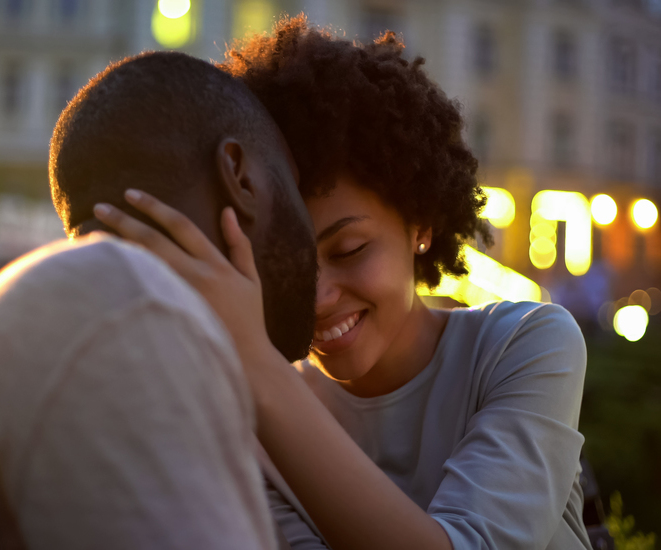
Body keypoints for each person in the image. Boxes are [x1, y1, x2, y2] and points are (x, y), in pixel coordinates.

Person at [92, 15, 593, 550]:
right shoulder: (256, 421)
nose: (318, 297)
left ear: (420, 223)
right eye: (282, 263)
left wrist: (258, 367)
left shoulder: (525, 344)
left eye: (349, 250)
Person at [0, 51, 317, 549]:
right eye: (296, 187)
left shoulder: (93, 301)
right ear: (239, 175)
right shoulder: (130, 313)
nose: (314, 237)